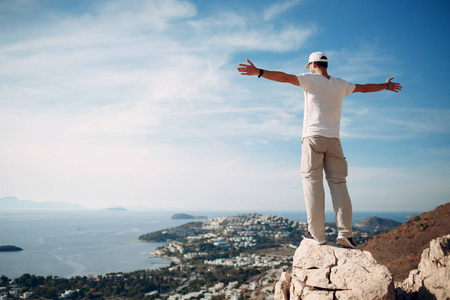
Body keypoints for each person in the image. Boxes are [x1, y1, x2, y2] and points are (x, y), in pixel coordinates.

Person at [237, 52, 402, 248]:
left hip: (313, 139)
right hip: (334, 141)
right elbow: (365, 89)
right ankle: (346, 234)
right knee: (339, 184)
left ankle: (317, 235)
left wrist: (259, 72)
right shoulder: (340, 84)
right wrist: (386, 86)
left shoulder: (310, 80)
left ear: (313, 64)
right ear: (326, 65)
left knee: (312, 183)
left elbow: (284, 77)